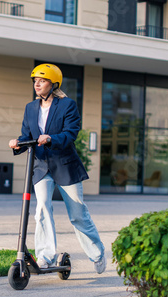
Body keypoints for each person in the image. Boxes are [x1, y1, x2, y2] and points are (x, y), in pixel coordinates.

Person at [8, 63, 106, 274]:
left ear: (53, 84)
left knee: (77, 213)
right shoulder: (30, 108)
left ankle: (97, 253)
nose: (37, 84)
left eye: (42, 81)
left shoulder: (67, 105)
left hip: (64, 165)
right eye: (35, 81)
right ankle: (45, 257)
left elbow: (71, 133)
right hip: (41, 166)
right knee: (42, 209)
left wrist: (52, 138)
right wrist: (18, 142)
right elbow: (28, 135)